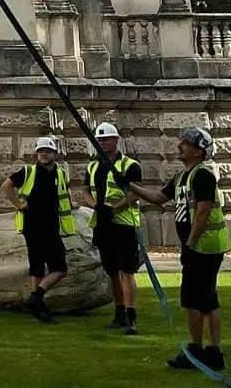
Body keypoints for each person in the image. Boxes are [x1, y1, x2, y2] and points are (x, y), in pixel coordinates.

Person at [125, 126, 231, 373]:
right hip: (198, 246)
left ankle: (199, 351)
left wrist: (191, 243)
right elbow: (158, 198)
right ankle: (211, 353)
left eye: (185, 142)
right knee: (204, 299)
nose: (179, 145)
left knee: (197, 299)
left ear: (198, 151)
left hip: (204, 247)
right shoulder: (182, 177)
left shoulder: (202, 175)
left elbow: (204, 211)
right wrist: (130, 186)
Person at [1, 135, 75, 322]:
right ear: (36, 154)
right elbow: (6, 185)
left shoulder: (60, 173)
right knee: (38, 267)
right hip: (32, 225)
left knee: (59, 267)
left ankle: (36, 297)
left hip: (51, 225)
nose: (43, 154)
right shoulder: (28, 172)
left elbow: (64, 196)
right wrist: (18, 204)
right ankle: (38, 303)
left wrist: (74, 205)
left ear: (54, 154)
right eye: (41, 151)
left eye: (47, 151)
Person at [82, 121, 142, 334]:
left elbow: (135, 193)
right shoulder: (92, 166)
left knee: (126, 270)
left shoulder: (129, 166)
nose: (102, 143)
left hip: (124, 223)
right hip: (103, 224)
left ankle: (131, 315)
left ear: (116, 140)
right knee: (111, 271)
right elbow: (85, 192)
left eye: (106, 139)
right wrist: (96, 206)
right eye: (99, 140)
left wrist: (114, 209)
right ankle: (119, 313)